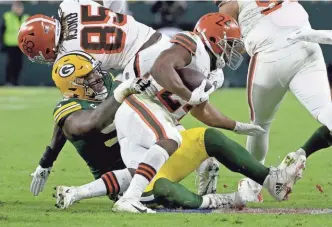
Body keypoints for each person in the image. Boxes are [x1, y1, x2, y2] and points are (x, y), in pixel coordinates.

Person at [110, 13, 304, 213]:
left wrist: (235, 126)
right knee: (163, 184)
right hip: (142, 124)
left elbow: (201, 110)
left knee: (210, 138)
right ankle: (211, 200)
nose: (234, 50)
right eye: (230, 43)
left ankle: (273, 181)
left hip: (162, 127)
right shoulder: (192, 43)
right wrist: (188, 94)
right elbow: (161, 68)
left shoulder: (215, 74)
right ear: (213, 38)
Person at [215, 0, 331, 202]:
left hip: (270, 53)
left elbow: (226, 34)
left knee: (260, 124)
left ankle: (253, 184)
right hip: (307, 42)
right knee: (325, 109)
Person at [0, 1, 29, 86]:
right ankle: (8, 81)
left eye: (20, 7)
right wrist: (2, 43)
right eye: (16, 7)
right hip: (10, 44)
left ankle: (15, 81)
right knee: (10, 64)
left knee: (19, 64)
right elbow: (2, 30)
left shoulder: (26, 17)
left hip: (21, 45)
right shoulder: (7, 16)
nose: (18, 9)